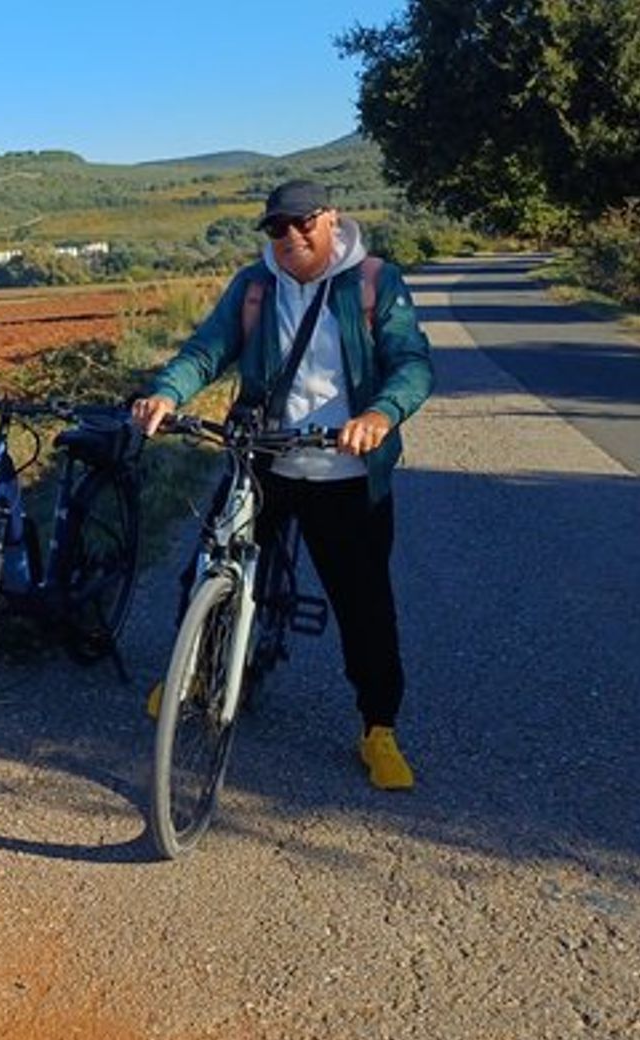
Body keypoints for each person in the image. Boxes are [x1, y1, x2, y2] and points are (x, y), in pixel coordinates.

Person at [131, 179, 433, 791]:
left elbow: (412, 363)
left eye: (303, 223)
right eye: (277, 227)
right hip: (264, 459)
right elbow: (206, 350)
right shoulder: (255, 286)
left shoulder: (374, 282)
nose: (291, 236)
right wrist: (166, 392)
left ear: (331, 219)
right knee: (207, 568)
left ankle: (379, 728)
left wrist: (379, 415)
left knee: (364, 606)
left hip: (344, 471)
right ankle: (198, 667)